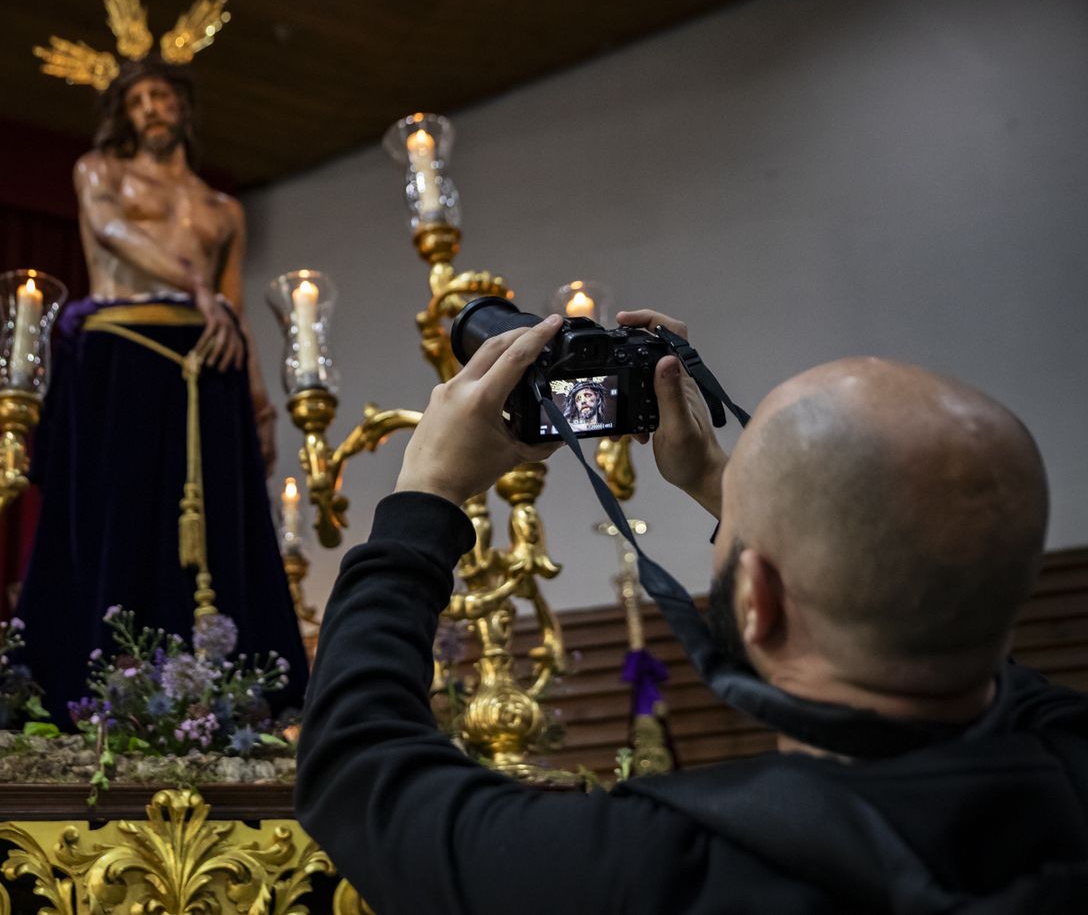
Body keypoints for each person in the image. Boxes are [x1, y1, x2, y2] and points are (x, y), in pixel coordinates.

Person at [296, 308, 1088, 912]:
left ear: (758, 603)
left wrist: (424, 494)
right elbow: (961, 616)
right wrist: (726, 485)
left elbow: (361, 774)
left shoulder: (657, 868)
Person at [13, 53, 308, 723]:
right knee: (118, 514)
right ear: (124, 112)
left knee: (221, 530)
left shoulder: (221, 208)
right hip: (124, 351)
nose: (152, 108)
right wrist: (191, 284)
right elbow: (110, 230)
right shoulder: (101, 172)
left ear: (182, 109)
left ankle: (225, 690)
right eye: (139, 99)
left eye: (163, 96)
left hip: (210, 358)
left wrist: (260, 406)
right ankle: (97, 681)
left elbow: (230, 307)